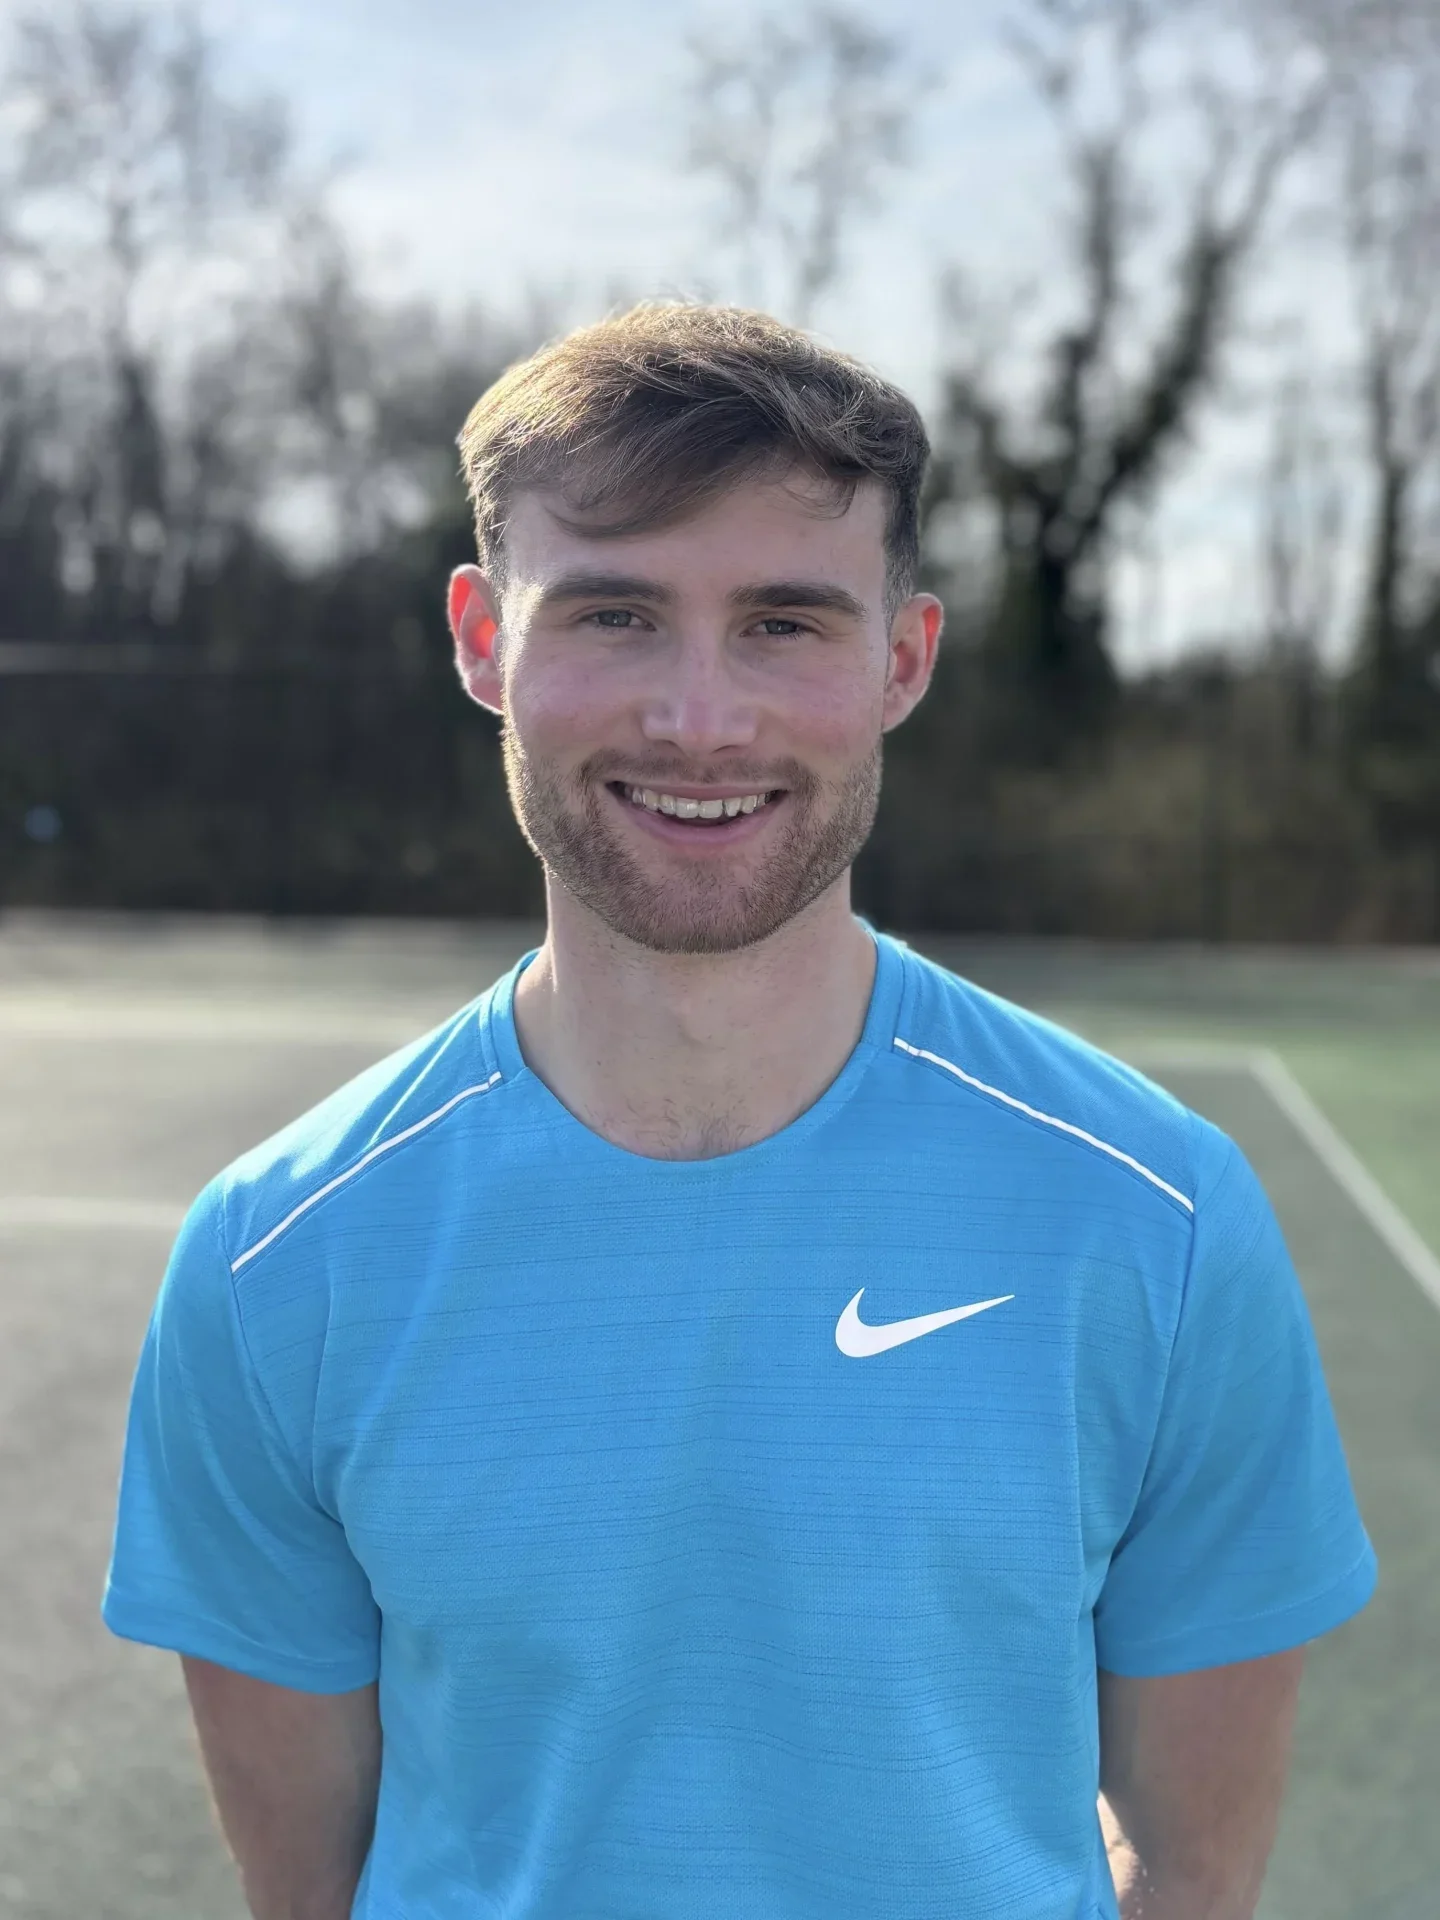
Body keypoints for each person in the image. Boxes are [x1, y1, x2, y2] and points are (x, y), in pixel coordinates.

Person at [103, 303, 1376, 1920]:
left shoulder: (1160, 1218)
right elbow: (310, 1889)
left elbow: (1197, 1872)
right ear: (484, 641)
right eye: (616, 616)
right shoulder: (273, 1259)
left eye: (784, 623)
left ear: (902, 658)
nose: (699, 719)